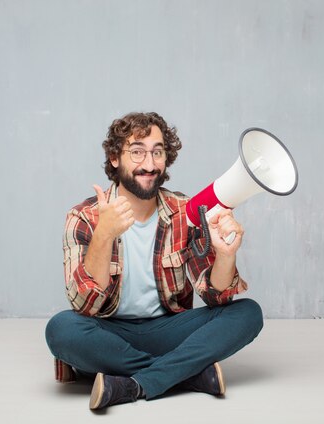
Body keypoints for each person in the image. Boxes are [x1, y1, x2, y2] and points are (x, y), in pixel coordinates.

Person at [45, 112, 263, 410]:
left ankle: (134, 384)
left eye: (157, 152)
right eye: (136, 152)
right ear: (114, 158)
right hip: (108, 332)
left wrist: (226, 256)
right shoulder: (84, 216)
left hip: (169, 330)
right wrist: (103, 236)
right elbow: (86, 306)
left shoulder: (185, 211)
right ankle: (186, 374)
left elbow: (217, 298)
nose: (149, 164)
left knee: (248, 313)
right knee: (61, 329)